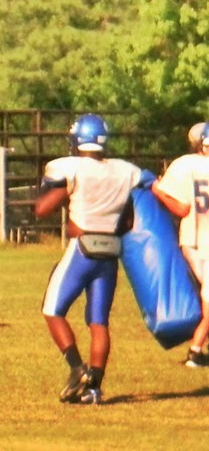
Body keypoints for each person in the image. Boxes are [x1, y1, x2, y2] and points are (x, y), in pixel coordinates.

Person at [33, 114, 146, 404]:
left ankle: (76, 369)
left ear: (76, 139)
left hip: (82, 248)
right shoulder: (123, 171)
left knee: (52, 310)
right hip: (110, 250)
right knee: (99, 322)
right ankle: (94, 387)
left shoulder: (70, 167)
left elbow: (42, 209)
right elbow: (128, 221)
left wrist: (52, 192)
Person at [149, 121, 209, 369]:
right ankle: (196, 350)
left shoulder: (185, 164)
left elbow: (181, 208)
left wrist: (158, 190)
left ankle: (197, 349)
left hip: (193, 239)